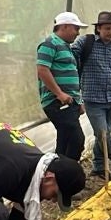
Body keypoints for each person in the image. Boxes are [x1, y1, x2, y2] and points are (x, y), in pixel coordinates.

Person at [72, 11, 111, 177]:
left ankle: (98, 167)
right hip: (92, 99)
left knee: (104, 135)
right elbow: (71, 55)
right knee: (102, 134)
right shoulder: (86, 42)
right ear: (98, 28)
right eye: (107, 28)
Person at [37, 11, 89, 161]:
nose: (78, 33)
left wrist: (78, 102)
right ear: (64, 26)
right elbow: (42, 69)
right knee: (76, 140)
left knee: (65, 141)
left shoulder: (66, 47)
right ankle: (68, 172)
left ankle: (57, 175)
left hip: (68, 102)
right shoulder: (50, 43)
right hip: (58, 102)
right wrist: (59, 93)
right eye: (76, 28)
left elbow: (71, 75)